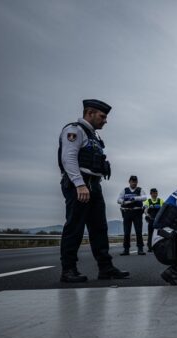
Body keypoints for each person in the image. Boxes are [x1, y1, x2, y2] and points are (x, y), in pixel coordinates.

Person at [57, 99, 129, 282]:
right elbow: (69, 158)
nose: (105, 120)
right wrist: (79, 184)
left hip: (94, 185)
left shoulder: (94, 136)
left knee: (99, 228)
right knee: (75, 227)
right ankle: (68, 270)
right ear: (89, 113)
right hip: (79, 184)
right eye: (102, 116)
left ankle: (105, 268)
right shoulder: (74, 130)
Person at [117, 175, 147, 255]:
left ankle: (140, 249)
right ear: (129, 182)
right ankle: (126, 249)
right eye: (132, 181)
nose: (134, 183)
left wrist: (135, 198)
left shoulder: (140, 190)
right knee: (126, 232)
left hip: (137, 212)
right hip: (127, 212)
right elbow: (118, 199)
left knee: (138, 231)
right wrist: (124, 202)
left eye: (135, 181)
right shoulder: (125, 190)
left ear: (137, 182)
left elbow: (144, 197)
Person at [143, 188, 163, 253]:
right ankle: (150, 247)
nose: (154, 194)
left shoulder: (160, 201)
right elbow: (145, 210)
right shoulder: (148, 201)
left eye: (156, 193)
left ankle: (159, 246)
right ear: (151, 194)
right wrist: (147, 215)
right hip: (151, 220)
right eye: (153, 193)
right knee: (150, 234)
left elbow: (164, 209)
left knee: (159, 234)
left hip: (159, 220)